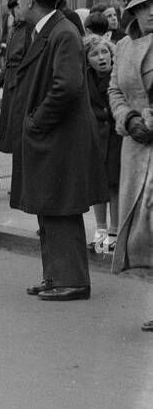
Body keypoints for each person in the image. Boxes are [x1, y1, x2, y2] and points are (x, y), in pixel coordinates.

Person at [2, 0, 107, 301]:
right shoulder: (50, 30)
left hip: (60, 137)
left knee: (61, 207)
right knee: (49, 207)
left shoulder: (62, 33)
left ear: (32, 0)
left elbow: (67, 87)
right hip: (53, 137)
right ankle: (56, 276)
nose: (16, 2)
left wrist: (36, 122)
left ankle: (72, 280)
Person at [104, 0, 153, 328]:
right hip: (136, 147)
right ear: (132, 11)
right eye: (143, 6)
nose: (151, 12)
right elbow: (114, 89)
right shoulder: (123, 46)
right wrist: (128, 118)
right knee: (143, 228)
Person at [82, 34, 121, 254]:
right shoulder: (84, 78)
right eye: (95, 54)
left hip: (116, 137)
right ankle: (101, 232)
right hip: (95, 138)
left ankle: (114, 233)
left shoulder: (117, 74)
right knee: (99, 185)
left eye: (105, 52)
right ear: (87, 59)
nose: (101, 57)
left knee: (114, 185)